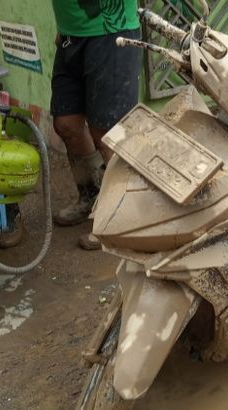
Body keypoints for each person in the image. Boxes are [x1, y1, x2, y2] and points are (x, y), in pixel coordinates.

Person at [50, 0, 140, 249]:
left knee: (108, 131)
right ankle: (92, 195)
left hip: (111, 31)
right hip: (71, 33)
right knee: (66, 123)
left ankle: (121, 220)